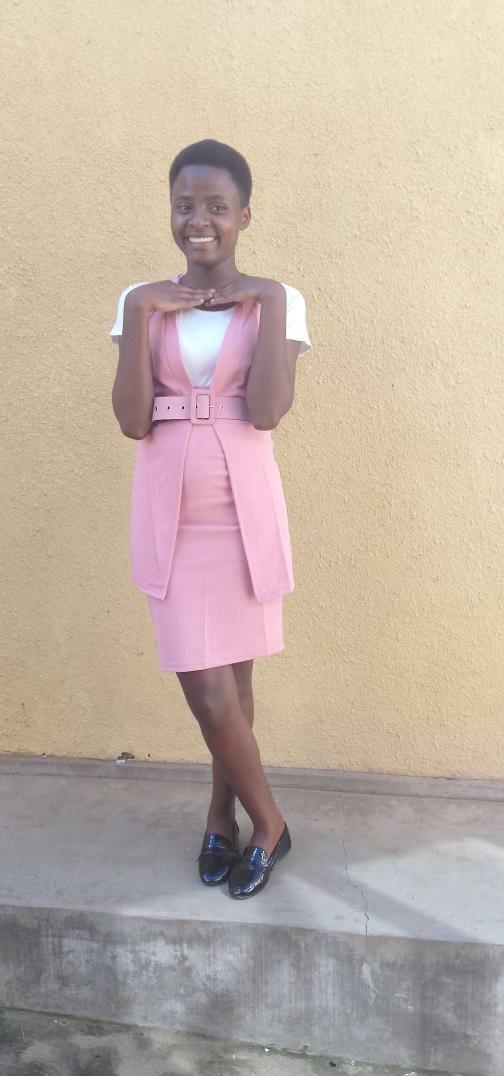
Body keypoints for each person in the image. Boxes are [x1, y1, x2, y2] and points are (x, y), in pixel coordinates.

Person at [110, 139, 311, 899]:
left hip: (242, 509)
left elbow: (267, 410)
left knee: (234, 678)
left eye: (217, 206)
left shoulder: (280, 299)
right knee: (206, 686)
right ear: (171, 213)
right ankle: (272, 824)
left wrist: (269, 302)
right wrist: (138, 313)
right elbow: (133, 420)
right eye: (185, 205)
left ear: (244, 216)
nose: (200, 219)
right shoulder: (139, 299)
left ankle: (221, 819)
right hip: (172, 512)